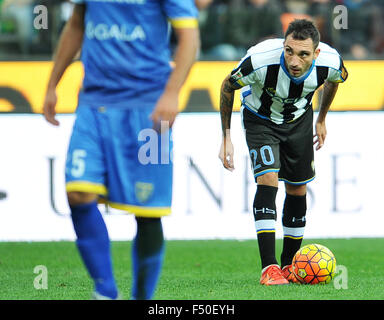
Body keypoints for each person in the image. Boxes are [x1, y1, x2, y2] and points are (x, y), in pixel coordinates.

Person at [43, 0, 199, 299]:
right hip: (94, 104)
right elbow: (76, 23)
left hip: (148, 110)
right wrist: (53, 83)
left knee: (149, 211)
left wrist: (171, 93)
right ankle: (105, 290)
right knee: (77, 191)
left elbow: (189, 36)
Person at [218, 19, 348, 285]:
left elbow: (335, 81)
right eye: (289, 51)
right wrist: (226, 137)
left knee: (298, 188)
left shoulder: (331, 63)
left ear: (317, 53)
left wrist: (321, 118)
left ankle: (289, 265)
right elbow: (227, 86)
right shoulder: (259, 61)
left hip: (299, 120)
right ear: (283, 45)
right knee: (268, 179)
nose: (294, 61)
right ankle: (269, 269)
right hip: (260, 119)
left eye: (303, 54)